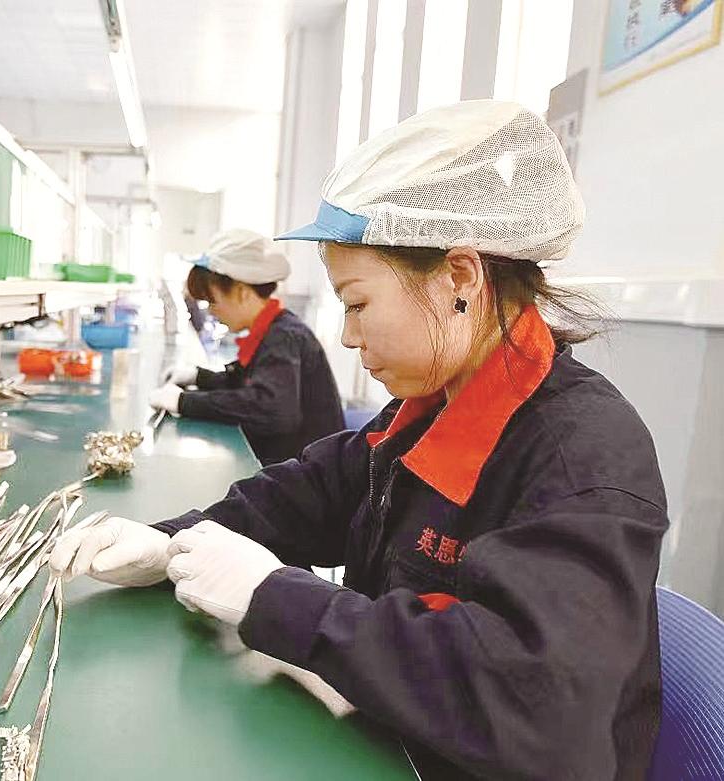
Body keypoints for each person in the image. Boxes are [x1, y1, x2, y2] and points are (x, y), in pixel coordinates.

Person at [52, 100, 668, 780]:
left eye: (358, 302)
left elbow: (536, 707)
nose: (347, 335)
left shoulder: (581, 456)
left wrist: (276, 597)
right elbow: (309, 493)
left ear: (459, 276)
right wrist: (171, 541)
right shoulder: (431, 408)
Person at [150, 229, 345, 465]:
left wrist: (184, 402)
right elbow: (248, 383)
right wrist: (198, 377)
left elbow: (272, 410)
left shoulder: (283, 337)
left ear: (241, 292)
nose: (211, 311)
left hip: (310, 473)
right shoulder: (273, 329)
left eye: (212, 301)